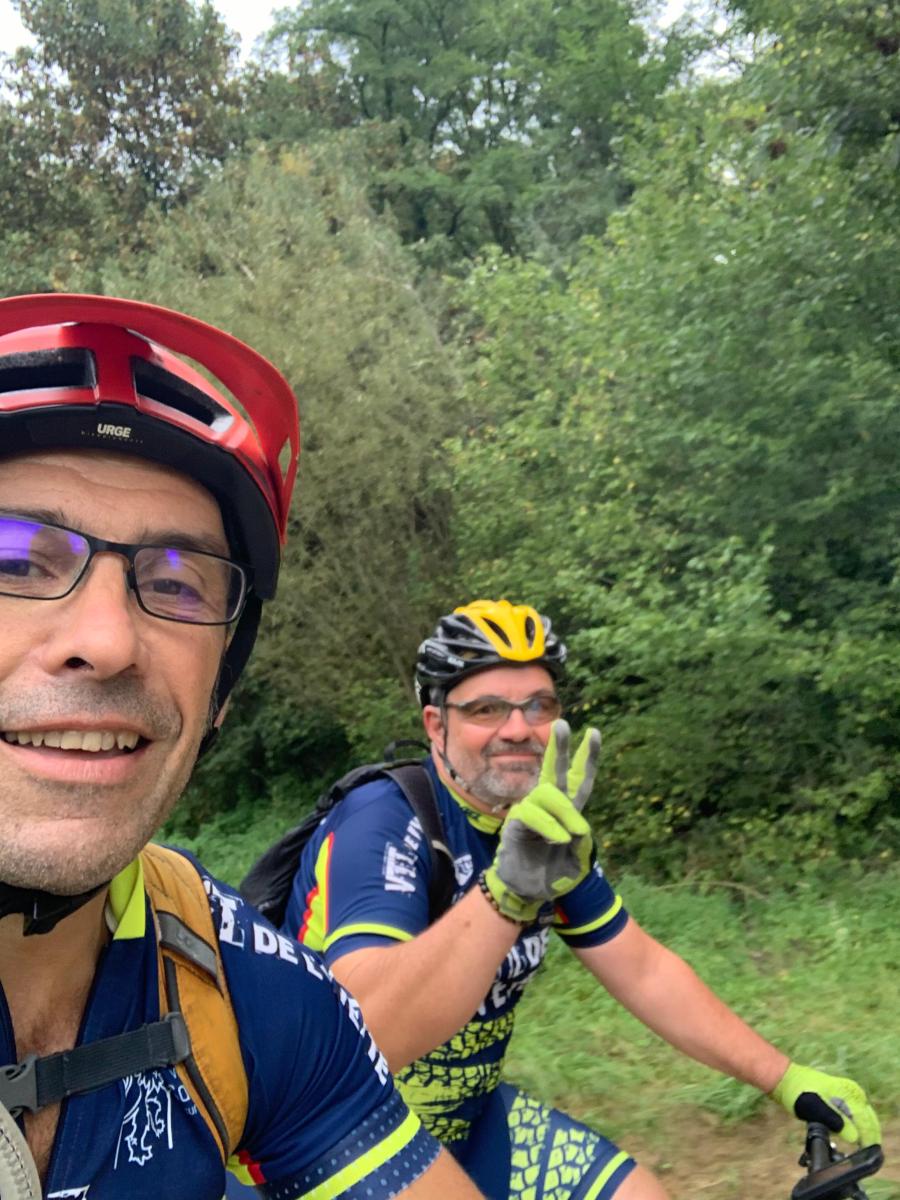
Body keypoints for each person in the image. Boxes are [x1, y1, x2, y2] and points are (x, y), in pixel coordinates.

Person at [0, 292, 482, 1199]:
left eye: (177, 581)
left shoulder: (235, 984)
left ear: (222, 686)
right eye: (15, 559)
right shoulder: (387, 815)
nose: (108, 639)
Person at [283, 599, 881, 1200]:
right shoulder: (382, 821)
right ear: (436, 725)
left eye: (538, 706)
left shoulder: (543, 830)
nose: (518, 729)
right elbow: (367, 1033)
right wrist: (504, 896)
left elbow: (643, 970)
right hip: (339, 1132)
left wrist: (783, 1078)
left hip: (470, 1122)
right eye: (487, 709)